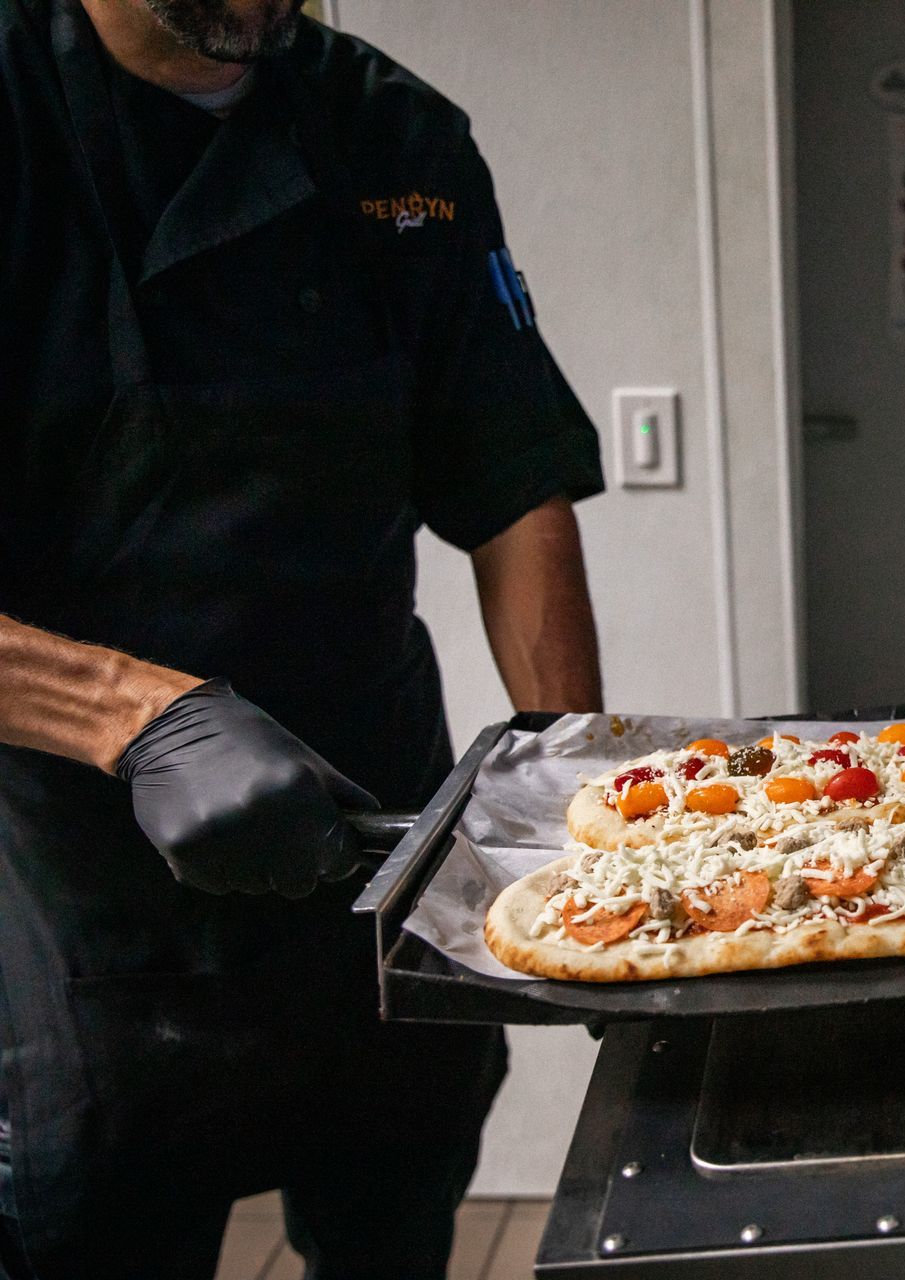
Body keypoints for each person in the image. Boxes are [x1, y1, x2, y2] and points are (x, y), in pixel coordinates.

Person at [0, 0, 606, 1274]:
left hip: (369, 844)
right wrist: (133, 713)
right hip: (73, 897)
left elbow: (509, 484)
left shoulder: (397, 137)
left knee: (395, 1205)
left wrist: (566, 779)